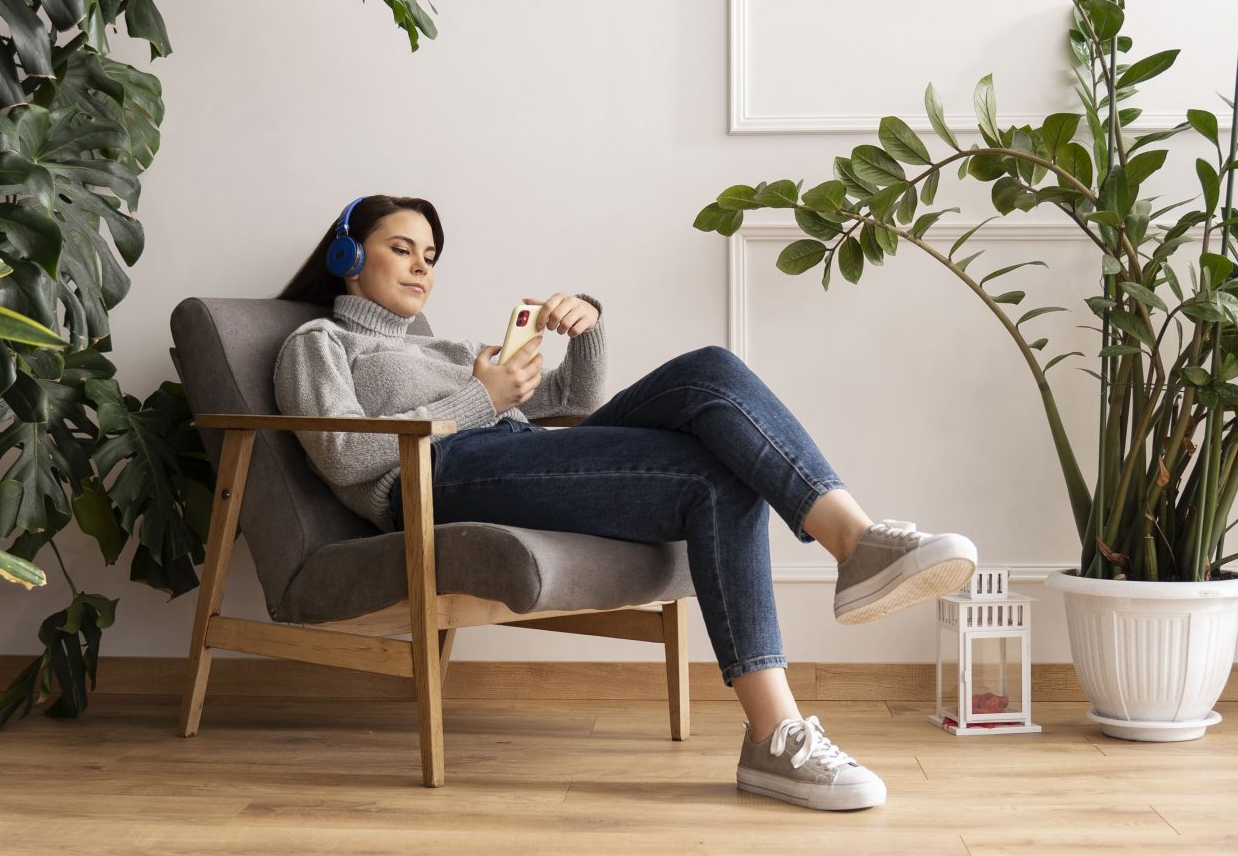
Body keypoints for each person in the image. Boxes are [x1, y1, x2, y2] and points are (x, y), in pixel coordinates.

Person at [272, 194, 979, 812]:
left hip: (508, 456)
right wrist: (479, 398)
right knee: (715, 462)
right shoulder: (319, 342)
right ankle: (797, 682)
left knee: (710, 374)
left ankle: (824, 614)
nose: (423, 266)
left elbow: (574, 406)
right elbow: (343, 452)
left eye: (431, 254)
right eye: (403, 248)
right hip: (435, 482)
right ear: (346, 254)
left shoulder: (455, 345)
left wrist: (586, 329)